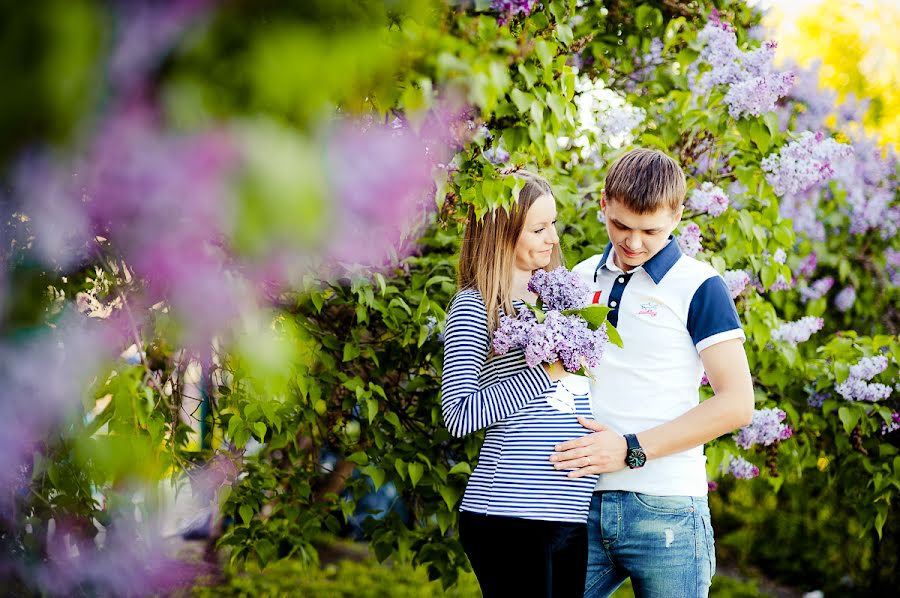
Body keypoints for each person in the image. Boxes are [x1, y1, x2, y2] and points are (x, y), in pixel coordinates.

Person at [549, 149, 754, 597]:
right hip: (577, 501)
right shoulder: (578, 278)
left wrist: (630, 450)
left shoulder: (701, 286)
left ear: (678, 215)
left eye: (651, 231)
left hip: (668, 510)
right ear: (603, 203)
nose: (634, 243)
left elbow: (737, 404)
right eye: (621, 226)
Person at [441, 171, 599, 597]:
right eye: (538, 228)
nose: (552, 238)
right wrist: (543, 374)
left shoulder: (561, 302)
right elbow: (457, 414)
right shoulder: (476, 305)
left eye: (553, 224)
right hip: (508, 512)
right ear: (501, 234)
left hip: (569, 513)